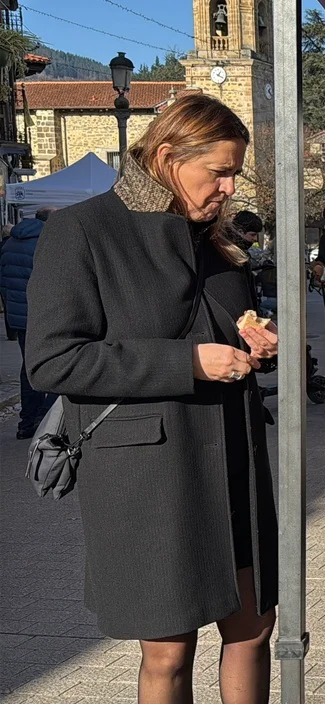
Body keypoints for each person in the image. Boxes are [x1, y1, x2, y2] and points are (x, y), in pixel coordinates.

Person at [23, 94, 279, 701]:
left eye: (234, 173)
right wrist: (186, 362)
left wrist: (257, 343)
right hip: (151, 475)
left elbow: (224, 332)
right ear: (167, 156)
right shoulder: (83, 230)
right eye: (219, 171)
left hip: (235, 462)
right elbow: (52, 359)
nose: (229, 187)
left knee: (253, 628)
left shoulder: (217, 241)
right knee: (168, 652)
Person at [1, 206, 57, 439]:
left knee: (29, 366)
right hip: (42, 315)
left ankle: (26, 421)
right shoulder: (46, 243)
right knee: (55, 364)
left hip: (18, 316)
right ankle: (43, 419)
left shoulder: (10, 243)